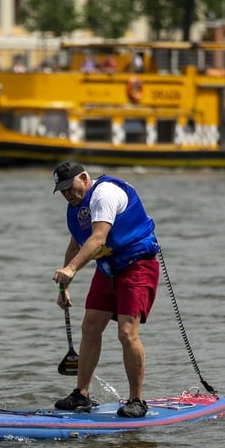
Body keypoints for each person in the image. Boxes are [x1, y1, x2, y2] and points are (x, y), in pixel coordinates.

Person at [51, 161, 161, 418]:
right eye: (62, 189)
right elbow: (76, 244)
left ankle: (137, 400)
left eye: (69, 186)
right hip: (108, 268)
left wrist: (72, 269)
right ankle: (81, 394)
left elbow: (98, 238)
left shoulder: (105, 194)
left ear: (84, 178)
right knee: (90, 326)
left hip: (137, 264)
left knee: (126, 332)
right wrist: (64, 287)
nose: (67, 193)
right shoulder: (76, 207)